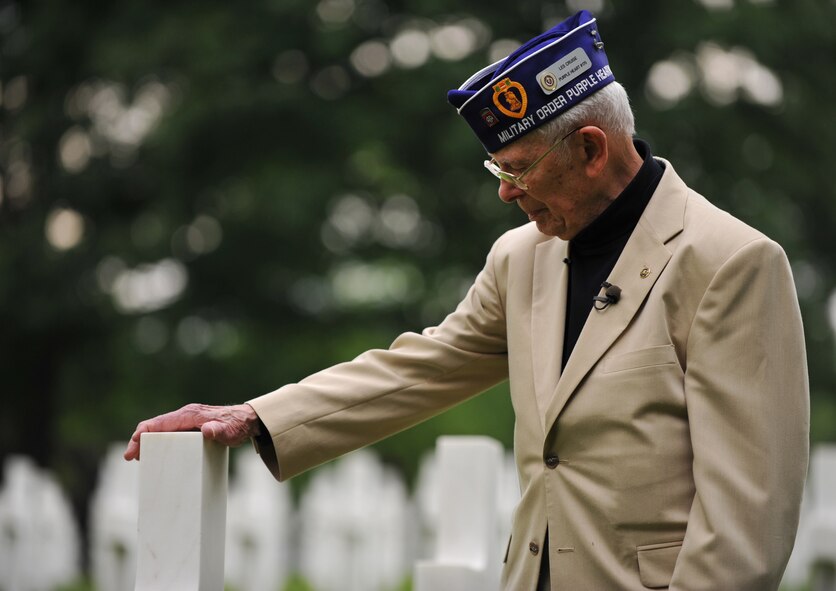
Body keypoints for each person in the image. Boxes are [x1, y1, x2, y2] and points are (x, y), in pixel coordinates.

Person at [125, 10, 809, 590]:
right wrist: (251, 416)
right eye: (496, 170)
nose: (506, 193)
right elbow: (417, 368)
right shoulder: (521, 258)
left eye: (518, 169)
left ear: (592, 149)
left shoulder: (730, 263)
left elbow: (749, 514)